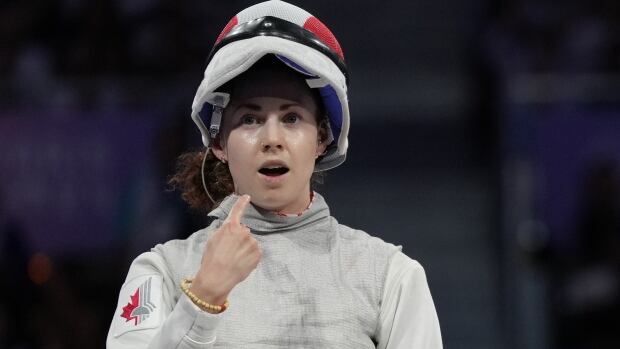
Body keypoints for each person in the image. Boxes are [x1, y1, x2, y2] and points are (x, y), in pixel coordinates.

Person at [107, 1, 442, 348]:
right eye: (249, 119)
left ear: (322, 138)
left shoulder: (390, 277)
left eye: (292, 118)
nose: (271, 140)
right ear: (220, 142)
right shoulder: (162, 271)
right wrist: (203, 297)